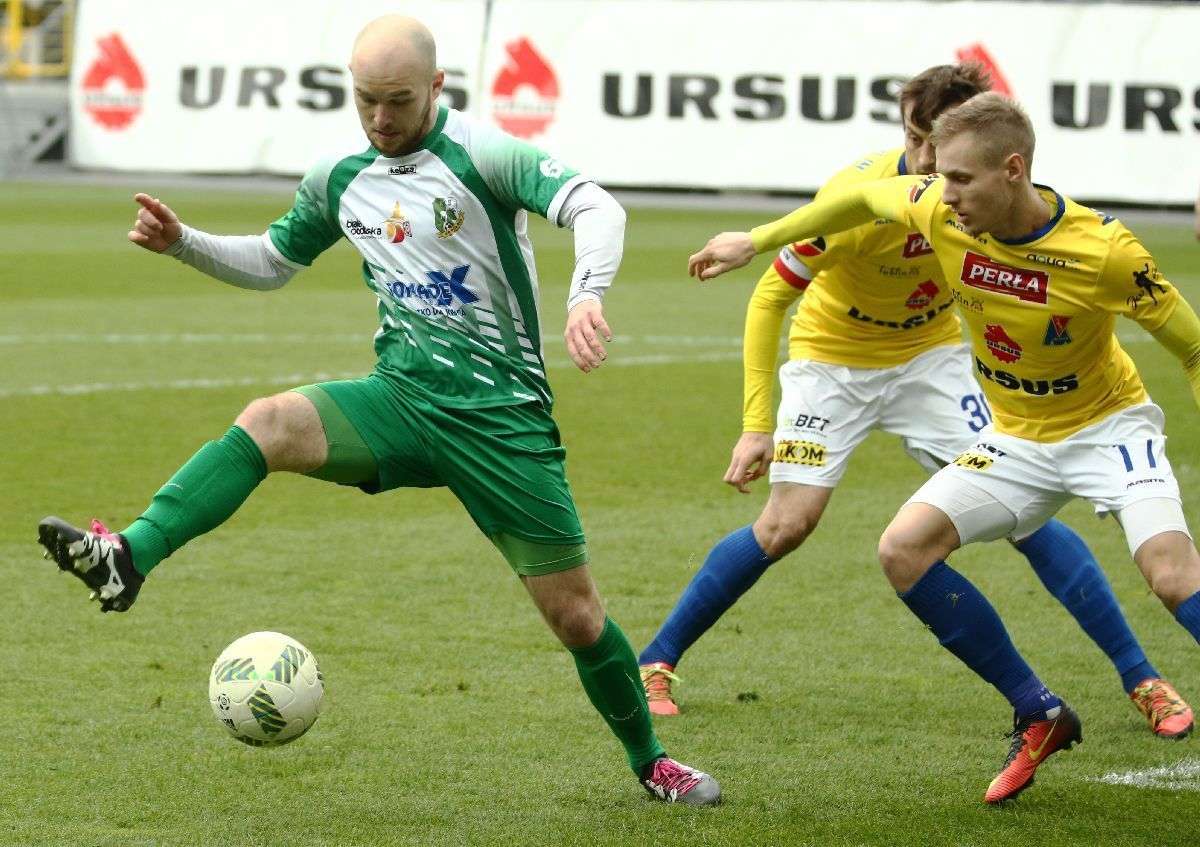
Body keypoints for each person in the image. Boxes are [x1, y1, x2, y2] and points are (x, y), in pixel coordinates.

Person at [35, 14, 719, 806]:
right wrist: (184, 241)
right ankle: (128, 557)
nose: (381, 118)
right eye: (366, 100)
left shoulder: (485, 156)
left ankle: (651, 762)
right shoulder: (341, 176)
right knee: (270, 421)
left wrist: (586, 294)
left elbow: (599, 208)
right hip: (399, 399)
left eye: (399, 100)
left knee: (577, 617)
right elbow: (274, 259)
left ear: (437, 86)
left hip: (499, 422)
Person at [641, 64, 1192, 744]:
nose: (926, 160)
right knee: (786, 524)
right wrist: (757, 421)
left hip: (931, 359)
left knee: (1029, 517)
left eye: (940, 145)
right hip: (834, 360)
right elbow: (773, 293)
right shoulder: (883, 195)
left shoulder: (986, 199)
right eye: (914, 139)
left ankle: (1140, 675)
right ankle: (657, 659)